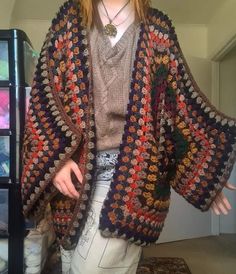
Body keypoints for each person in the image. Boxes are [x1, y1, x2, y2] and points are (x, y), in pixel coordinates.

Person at [20, 0, 236, 273]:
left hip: (131, 181)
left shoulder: (158, 30)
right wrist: (56, 161)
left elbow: (178, 106)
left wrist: (207, 171)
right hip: (73, 180)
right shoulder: (69, 20)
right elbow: (44, 96)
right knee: (71, 263)